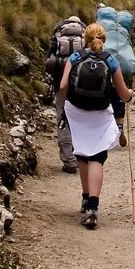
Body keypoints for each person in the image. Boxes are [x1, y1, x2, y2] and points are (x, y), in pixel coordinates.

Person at [56, 22, 134, 228]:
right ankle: (92, 207)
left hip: (76, 112)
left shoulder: (75, 57)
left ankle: (85, 199)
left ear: (85, 38)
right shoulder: (110, 60)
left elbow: (63, 86)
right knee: (97, 157)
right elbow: (123, 94)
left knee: (82, 154)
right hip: (100, 113)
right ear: (104, 39)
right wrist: (130, 95)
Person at [44, 15, 85, 173]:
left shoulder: (58, 33)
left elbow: (49, 59)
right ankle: (81, 155)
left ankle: (68, 160)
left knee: (62, 118)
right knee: (79, 118)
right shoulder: (84, 33)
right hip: (80, 85)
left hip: (60, 84)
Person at [95, 4, 135, 147]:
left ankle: (104, 129)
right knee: (121, 95)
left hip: (105, 64)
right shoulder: (124, 29)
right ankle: (119, 126)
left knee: (105, 95)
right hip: (124, 64)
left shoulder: (101, 27)